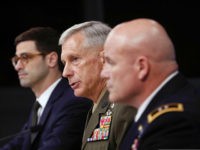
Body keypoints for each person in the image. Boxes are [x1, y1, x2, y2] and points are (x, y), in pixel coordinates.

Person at [101, 18, 200, 150]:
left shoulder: (173, 121)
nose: (103, 74)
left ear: (142, 67)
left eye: (111, 62)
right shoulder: (154, 112)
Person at [1, 27, 92, 150]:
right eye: (16, 60)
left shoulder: (73, 102)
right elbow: (17, 144)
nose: (18, 66)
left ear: (51, 59)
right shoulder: (40, 105)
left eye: (25, 57)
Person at [59, 21, 136, 150]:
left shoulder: (124, 107)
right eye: (64, 63)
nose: (65, 72)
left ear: (105, 58)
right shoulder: (95, 106)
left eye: (75, 59)